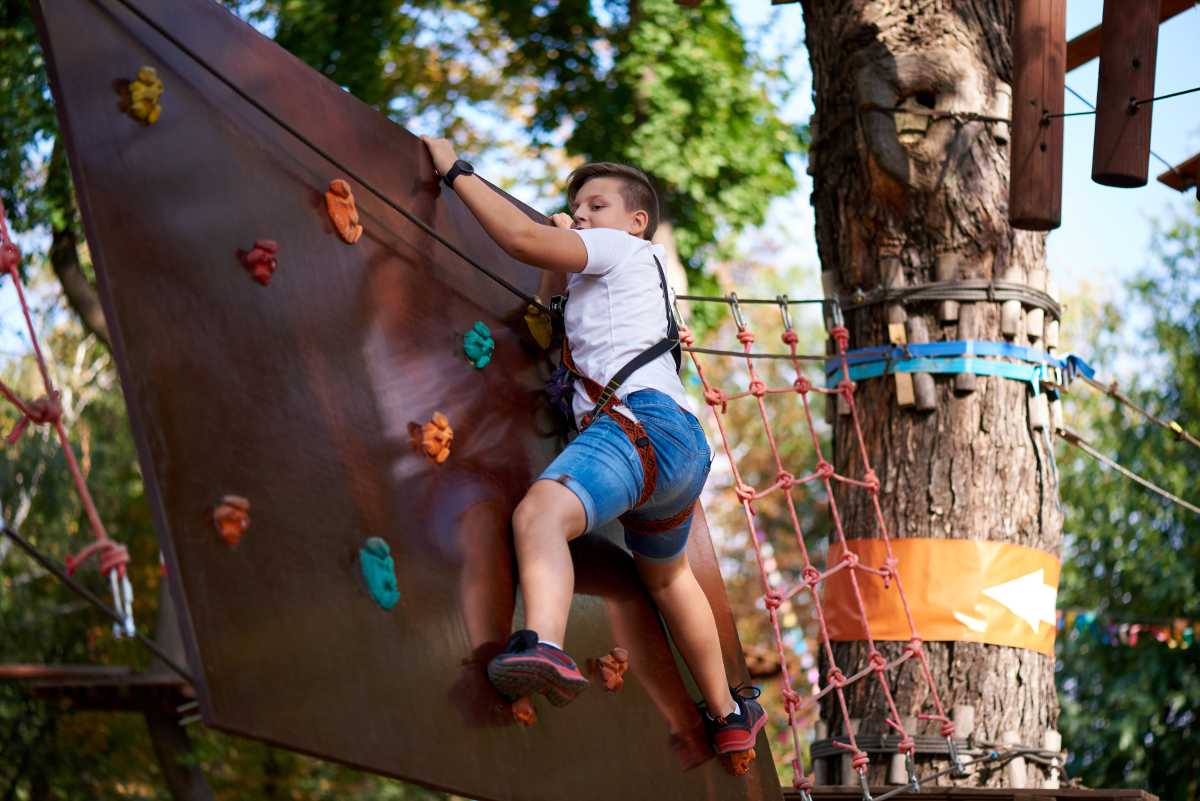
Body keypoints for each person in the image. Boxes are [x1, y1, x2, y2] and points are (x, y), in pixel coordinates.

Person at [420, 137, 766, 758]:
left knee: (538, 514)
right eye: (575, 209)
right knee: (668, 579)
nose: (581, 217)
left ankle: (543, 646)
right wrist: (559, 252)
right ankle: (728, 713)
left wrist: (456, 169)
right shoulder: (631, 285)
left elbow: (524, 243)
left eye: (595, 206)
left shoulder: (623, 248)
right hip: (680, 448)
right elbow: (544, 317)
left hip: (633, 426)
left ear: (636, 221)